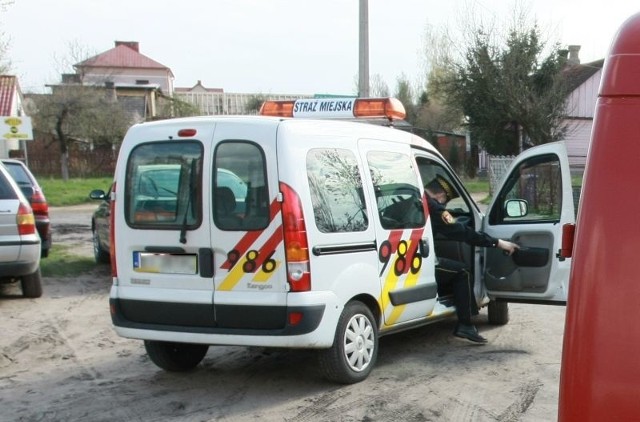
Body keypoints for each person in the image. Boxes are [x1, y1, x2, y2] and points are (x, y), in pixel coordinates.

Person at [425, 175, 519, 344]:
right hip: (421, 262)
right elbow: (462, 232)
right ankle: (465, 325)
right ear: (440, 196)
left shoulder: (414, 197)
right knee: (462, 271)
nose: (444, 205)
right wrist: (498, 243)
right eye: (445, 201)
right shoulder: (434, 208)